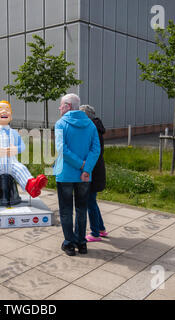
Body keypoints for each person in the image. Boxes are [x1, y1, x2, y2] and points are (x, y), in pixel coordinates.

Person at [0, 100, 47, 200]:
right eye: (0, 109)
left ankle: (32, 186)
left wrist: (15, 149)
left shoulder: (14, 133)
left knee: (22, 169)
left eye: (7, 109)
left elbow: (22, 146)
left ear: (11, 116)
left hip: (12, 163)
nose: (4, 111)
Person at [54, 94, 101, 256]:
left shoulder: (60, 124)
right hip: (85, 176)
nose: (59, 108)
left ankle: (69, 244)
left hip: (65, 174)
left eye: (61, 105)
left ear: (68, 106)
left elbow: (62, 150)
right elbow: (96, 149)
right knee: (81, 209)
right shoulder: (90, 124)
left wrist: (80, 164)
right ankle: (81, 243)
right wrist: (86, 168)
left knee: (66, 210)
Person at [80, 105, 108, 242]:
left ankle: (95, 233)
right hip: (97, 170)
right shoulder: (96, 128)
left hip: (93, 171)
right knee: (92, 201)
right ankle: (101, 229)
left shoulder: (93, 130)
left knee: (90, 202)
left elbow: (93, 152)